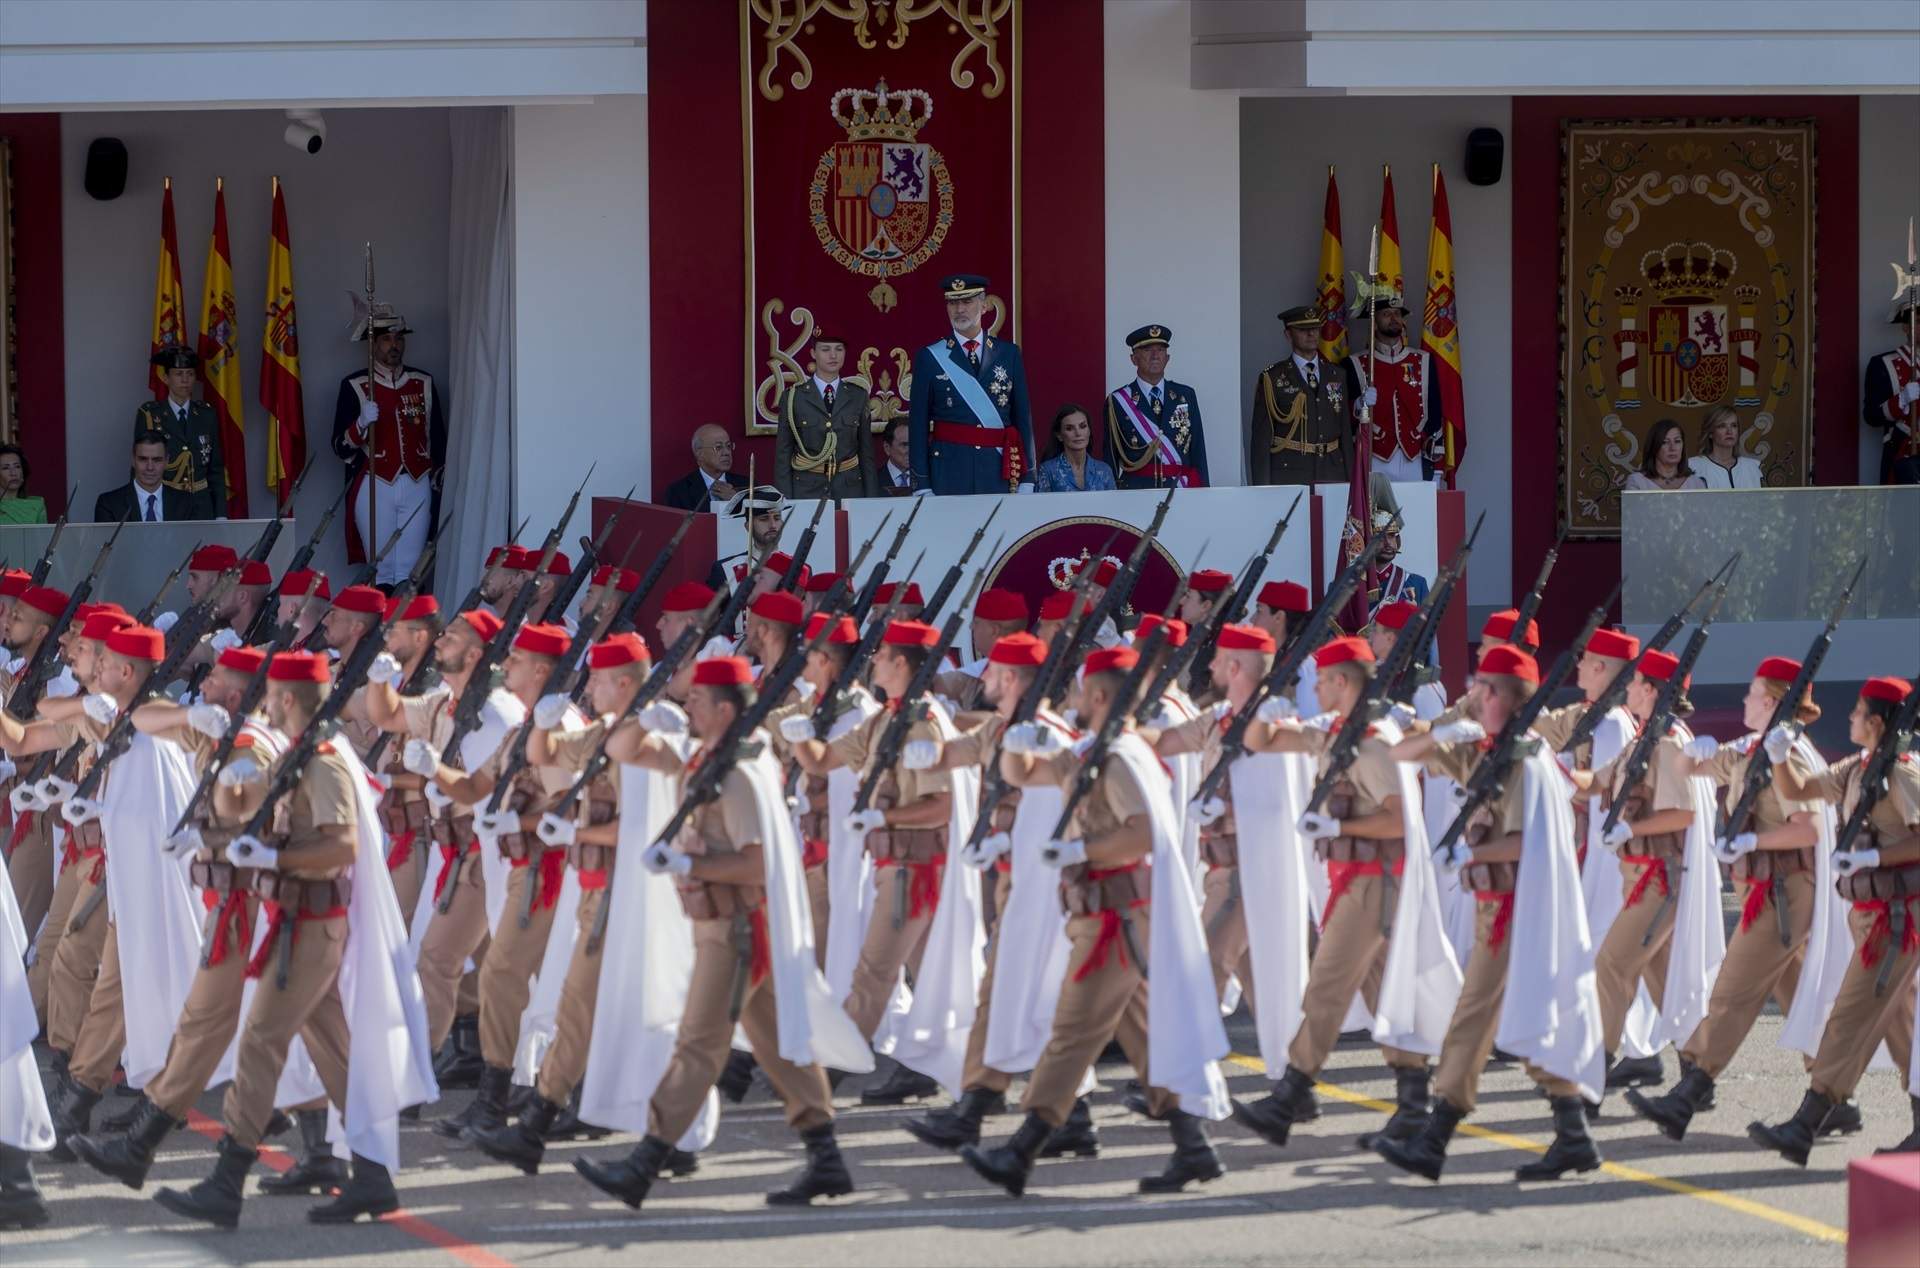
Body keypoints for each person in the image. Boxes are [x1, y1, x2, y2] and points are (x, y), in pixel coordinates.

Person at [331, 306, 447, 585]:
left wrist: (438, 478)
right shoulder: (355, 386)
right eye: (386, 339)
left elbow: (438, 440)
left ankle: (406, 628)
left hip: (417, 482)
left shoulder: (423, 382)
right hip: (375, 483)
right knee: (380, 568)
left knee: (411, 570)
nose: (394, 345)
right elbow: (339, 447)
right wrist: (360, 424)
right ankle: (379, 628)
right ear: (372, 344)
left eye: (399, 339)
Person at [907, 273, 1036, 495]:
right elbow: (918, 425)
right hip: (948, 471)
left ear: (984, 306)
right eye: (953, 303)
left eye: (967, 301)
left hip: (997, 470)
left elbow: (1022, 417)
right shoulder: (930, 357)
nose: (959, 309)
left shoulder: (1008, 353)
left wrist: (1028, 476)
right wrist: (922, 484)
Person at [1345, 291, 1444, 485]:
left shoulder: (1423, 360)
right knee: (1378, 514)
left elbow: (1434, 408)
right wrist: (1359, 404)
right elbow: (1344, 415)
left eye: (1397, 314)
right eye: (1386, 314)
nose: (1394, 318)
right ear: (1373, 322)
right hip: (1375, 456)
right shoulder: (1355, 363)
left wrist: (1435, 446)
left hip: (1415, 455)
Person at [1249, 305, 1350, 485]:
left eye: (1315, 328)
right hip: (1290, 473)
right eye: (1303, 330)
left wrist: (1352, 480)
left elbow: (1345, 432)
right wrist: (1262, 490)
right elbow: (1261, 440)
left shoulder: (1337, 374)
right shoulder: (1272, 378)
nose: (1311, 334)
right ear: (1288, 335)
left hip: (1332, 472)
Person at [776, 329, 875, 500]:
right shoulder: (793, 397)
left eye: (839, 349)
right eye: (825, 349)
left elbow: (866, 453)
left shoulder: (858, 396)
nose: (833, 355)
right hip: (807, 487)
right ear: (813, 353)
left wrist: (871, 498)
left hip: (848, 487)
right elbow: (783, 454)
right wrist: (784, 501)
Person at [1105, 325, 1208, 488]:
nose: (1155, 356)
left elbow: (1198, 452)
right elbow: (1109, 457)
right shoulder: (1117, 401)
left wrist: (1203, 493)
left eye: (1160, 350)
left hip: (1180, 489)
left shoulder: (1185, 396)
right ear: (1133, 359)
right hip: (1135, 492)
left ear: (1167, 358)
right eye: (1147, 350)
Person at [135, 347, 226, 521]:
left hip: (201, 505)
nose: (185, 380)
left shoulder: (207, 415)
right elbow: (139, 468)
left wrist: (220, 513)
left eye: (190, 374)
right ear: (166, 378)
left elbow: (215, 469)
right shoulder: (150, 415)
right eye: (178, 374)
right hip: (166, 503)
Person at [1862, 293, 1920, 485]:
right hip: (1905, 453)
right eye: (1918, 321)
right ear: (1905, 327)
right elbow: (1871, 416)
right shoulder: (1883, 364)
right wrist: (1901, 400)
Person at [94, 431, 188, 523]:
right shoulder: (109, 504)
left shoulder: (186, 503)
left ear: (167, 461)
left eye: (157, 460)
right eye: (143, 459)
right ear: (133, 460)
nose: (150, 467)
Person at [1034, 405, 1116, 493]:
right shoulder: (1048, 470)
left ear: (1089, 431)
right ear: (1059, 435)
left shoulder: (1104, 470)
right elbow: (1041, 505)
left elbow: (1112, 505)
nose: (1078, 433)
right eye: (1069, 428)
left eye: (1083, 426)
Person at [662, 424, 743, 511]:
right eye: (718, 447)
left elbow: (756, 519)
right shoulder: (678, 492)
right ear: (699, 454)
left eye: (728, 446)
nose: (726, 452)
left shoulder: (748, 485)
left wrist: (736, 501)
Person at [1687, 405, 1763, 490]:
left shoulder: (1752, 467)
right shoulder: (1694, 466)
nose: (1729, 431)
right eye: (1722, 426)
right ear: (1711, 433)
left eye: (1734, 425)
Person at [1623, 418, 1707, 491]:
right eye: (1665, 442)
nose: (1672, 448)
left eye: (1677, 441)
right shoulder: (1637, 481)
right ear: (1654, 446)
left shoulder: (1696, 483)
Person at [0, 446, 46, 524]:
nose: (13, 473)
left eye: (17, 467)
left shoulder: (37, 504)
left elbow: (42, 536)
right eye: (6, 468)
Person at [878, 420, 916, 495]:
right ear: (887, 448)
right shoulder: (872, 482)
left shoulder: (929, 480)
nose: (912, 450)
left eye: (915, 444)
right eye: (905, 445)